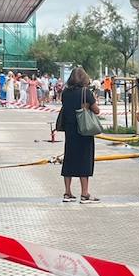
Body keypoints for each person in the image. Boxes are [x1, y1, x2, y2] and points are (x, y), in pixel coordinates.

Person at [59, 67, 101, 202]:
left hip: (70, 130)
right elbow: (96, 110)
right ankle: (84, 193)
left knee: (69, 159)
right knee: (84, 159)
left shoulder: (65, 92)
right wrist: (91, 102)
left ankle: (67, 192)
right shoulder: (86, 92)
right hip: (84, 130)